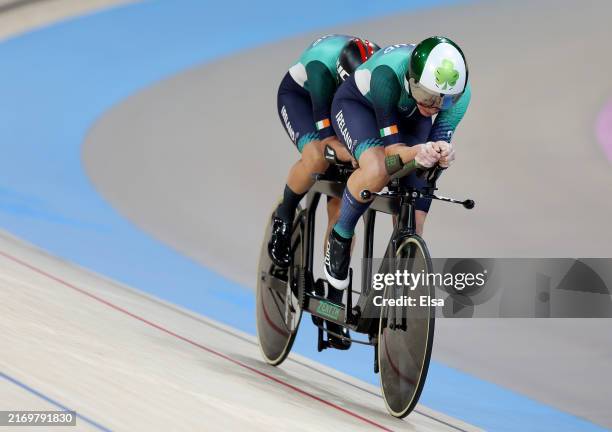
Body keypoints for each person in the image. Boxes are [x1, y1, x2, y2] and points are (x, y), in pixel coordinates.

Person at [324, 36, 471, 301]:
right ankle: (341, 235)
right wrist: (417, 153)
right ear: (412, 80)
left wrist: (442, 153)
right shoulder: (387, 75)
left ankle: (393, 284)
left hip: (409, 117)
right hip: (360, 107)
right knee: (378, 168)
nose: (433, 107)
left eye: (443, 101)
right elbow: (393, 153)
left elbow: (436, 143)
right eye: (427, 96)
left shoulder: (460, 95)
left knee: (416, 217)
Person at [268, 34, 380, 268]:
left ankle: (335, 286)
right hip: (303, 99)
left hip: (345, 105)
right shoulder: (321, 69)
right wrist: (350, 154)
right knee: (318, 157)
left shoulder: (377, 70)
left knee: (342, 208)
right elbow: (327, 141)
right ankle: (284, 214)